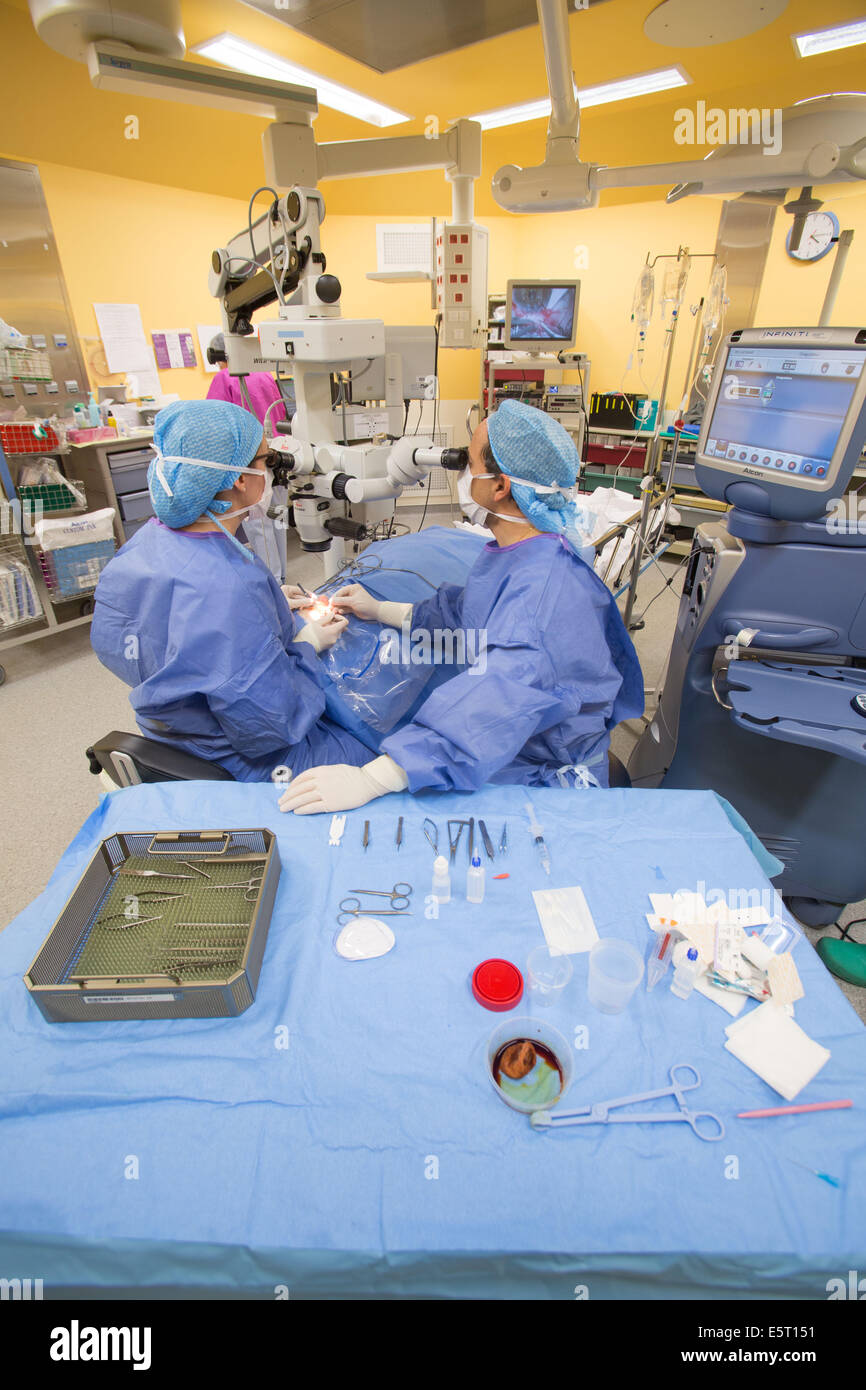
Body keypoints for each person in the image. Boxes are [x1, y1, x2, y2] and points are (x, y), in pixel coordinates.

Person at [279, 398, 643, 815]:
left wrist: (372, 779)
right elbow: (466, 615)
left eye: (469, 462)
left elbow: (492, 709)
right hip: (525, 731)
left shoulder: (541, 598)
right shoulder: (524, 552)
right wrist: (380, 610)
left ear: (500, 485)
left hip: (538, 770)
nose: (464, 474)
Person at [90, 398, 383, 783]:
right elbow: (270, 723)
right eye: (266, 461)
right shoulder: (232, 586)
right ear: (240, 480)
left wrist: (266, 608)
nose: (272, 472)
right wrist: (306, 644)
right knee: (383, 742)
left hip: (171, 732)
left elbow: (126, 638)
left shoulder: (145, 544)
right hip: (242, 759)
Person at [206, 332, 292, 582]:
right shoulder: (265, 374)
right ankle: (282, 577)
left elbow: (215, 422)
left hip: (252, 461)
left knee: (258, 524)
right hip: (278, 454)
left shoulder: (225, 377)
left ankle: (271, 582)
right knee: (279, 519)